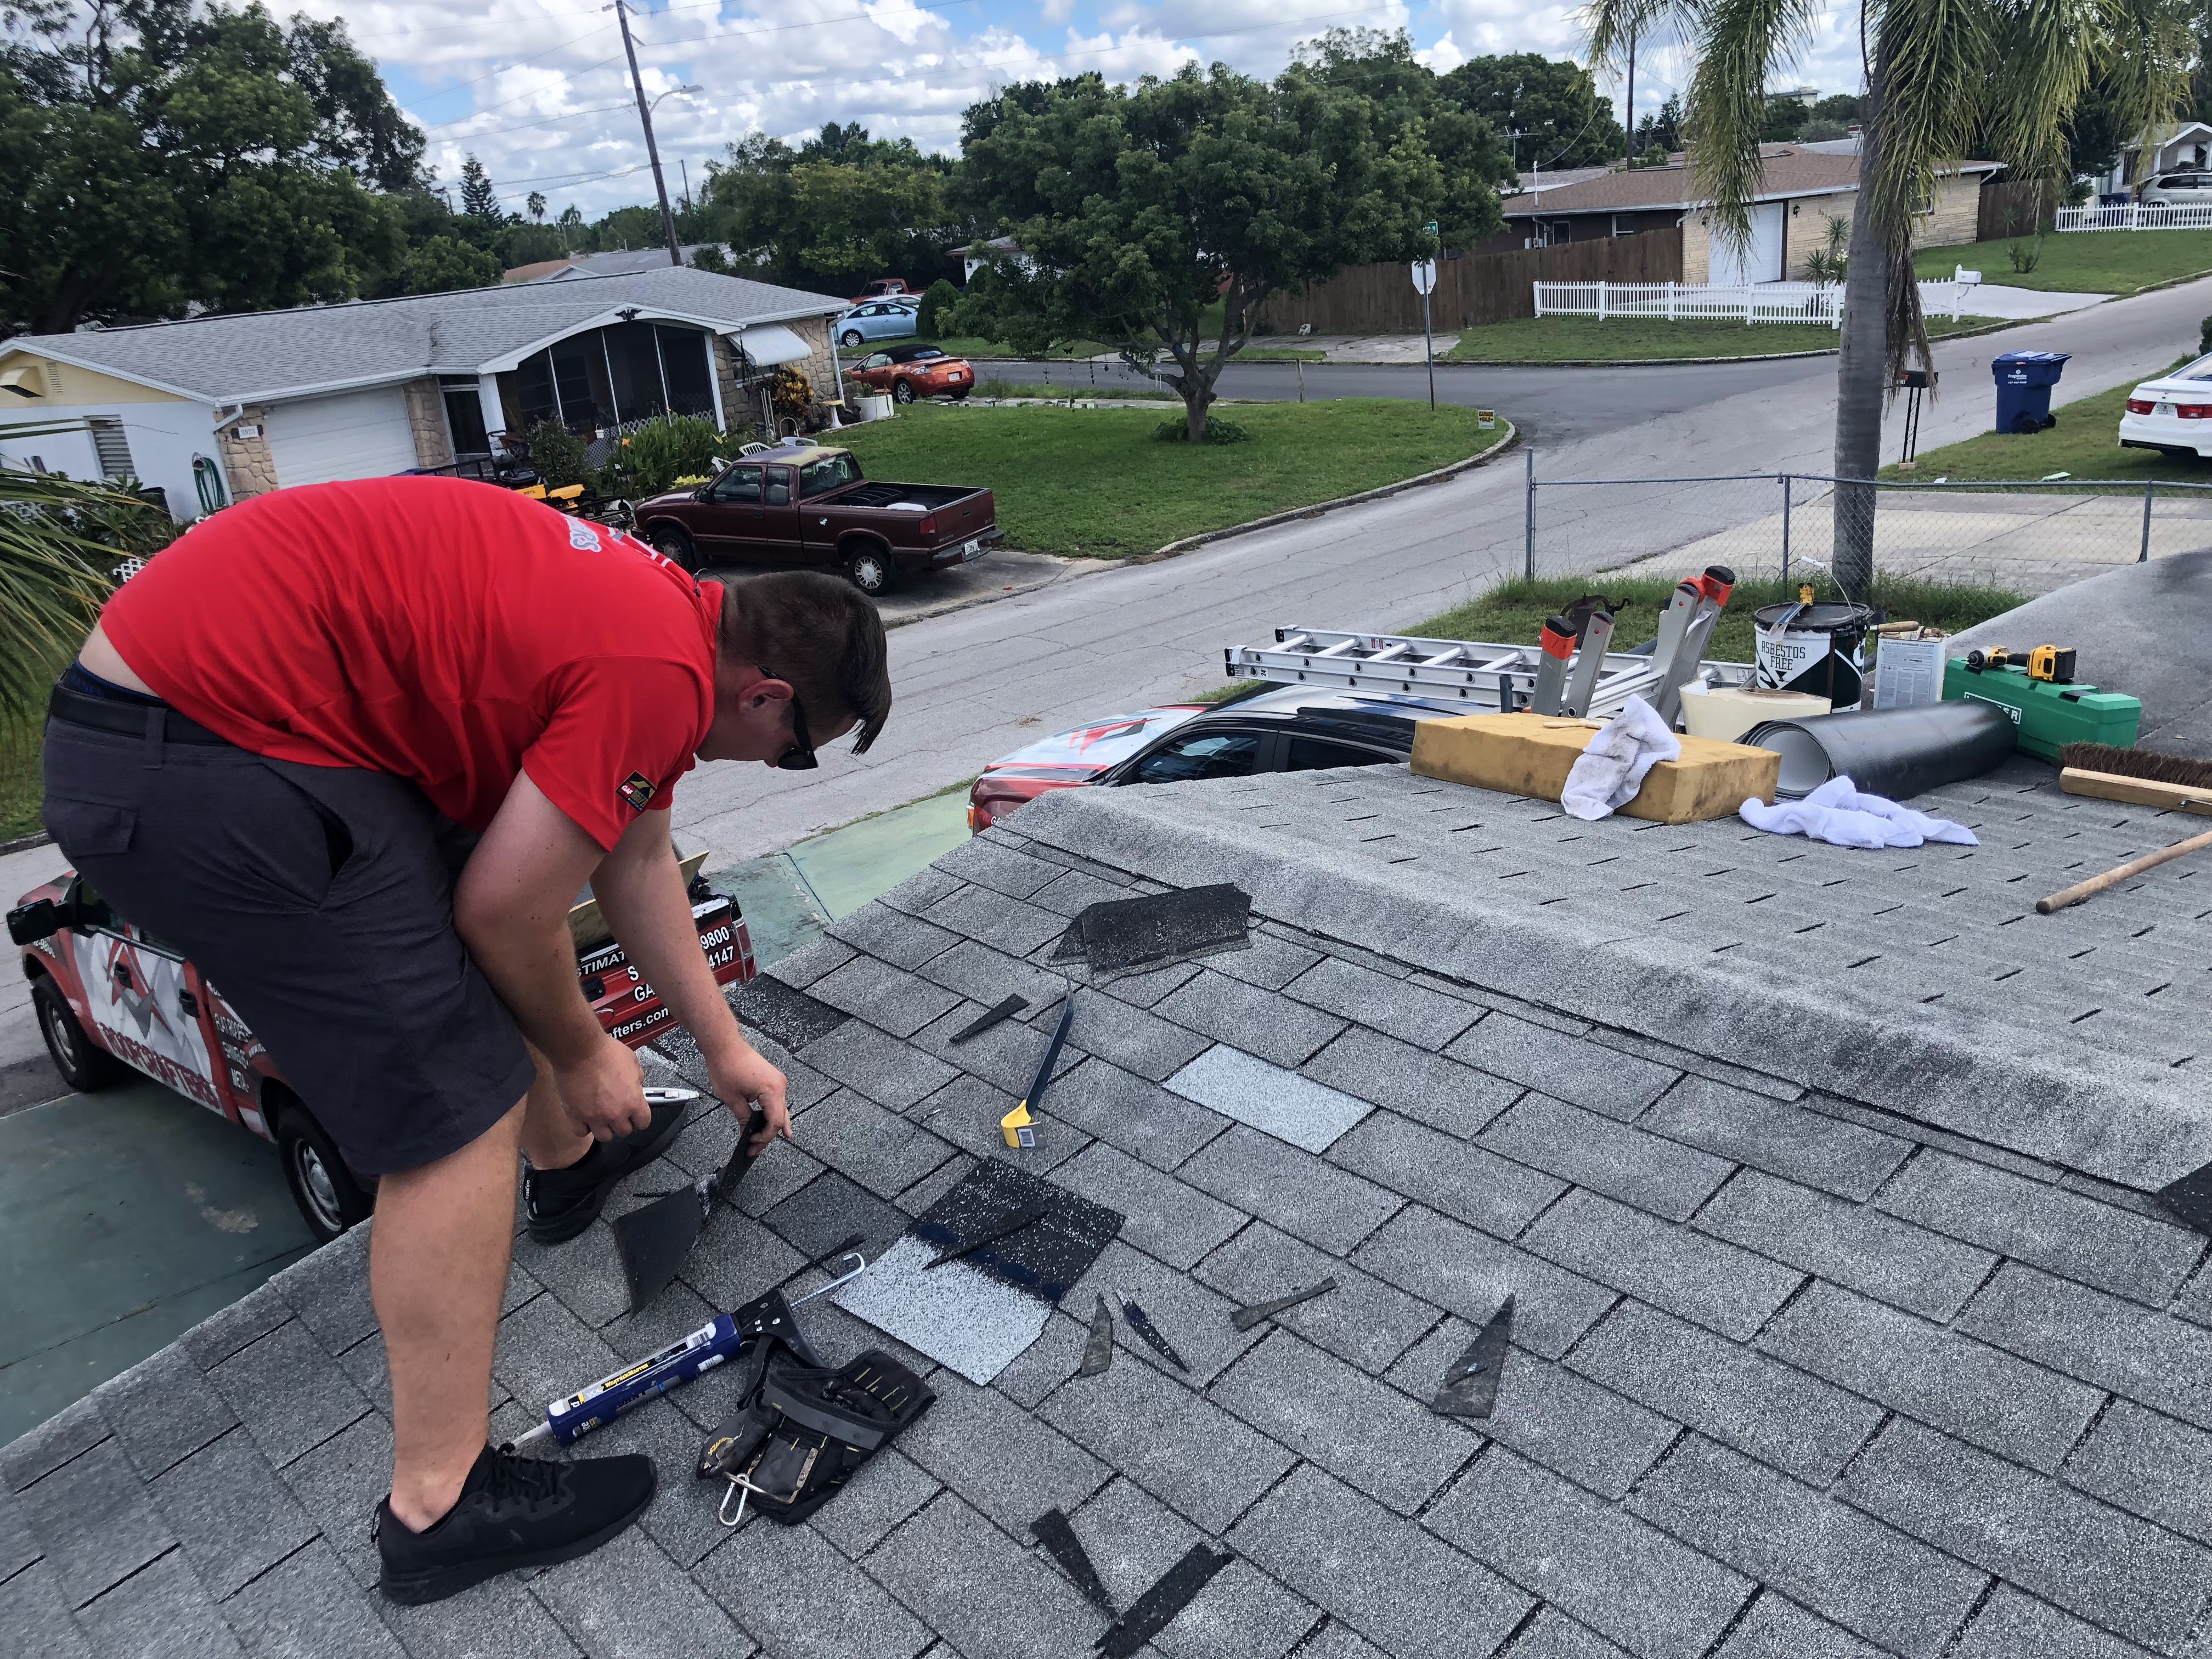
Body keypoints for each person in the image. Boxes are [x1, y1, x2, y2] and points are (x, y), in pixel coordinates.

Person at [41, 475, 891, 1605]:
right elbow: (508, 912)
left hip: (213, 724)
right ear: (766, 695)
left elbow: (629, 862)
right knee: (455, 1112)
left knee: (464, 886)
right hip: (205, 755)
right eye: (798, 753)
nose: (779, 767)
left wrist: (726, 1051)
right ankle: (439, 1507)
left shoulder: (658, 612)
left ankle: (565, 1165)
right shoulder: (657, 674)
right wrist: (590, 1054)